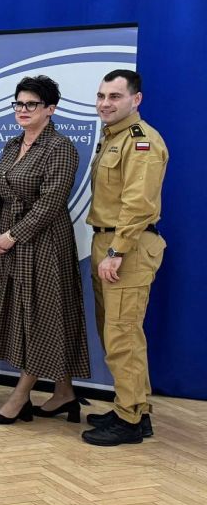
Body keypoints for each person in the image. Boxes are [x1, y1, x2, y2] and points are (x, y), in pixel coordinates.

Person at [0, 75, 89, 425]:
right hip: (9, 242)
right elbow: (0, 193)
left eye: (31, 104)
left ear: (50, 109)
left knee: (42, 315)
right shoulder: (12, 144)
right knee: (23, 313)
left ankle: (20, 397)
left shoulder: (61, 147)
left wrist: (13, 235)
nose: (23, 109)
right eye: (19, 103)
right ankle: (64, 393)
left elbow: (51, 203)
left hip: (45, 244)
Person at [82, 70, 168, 446]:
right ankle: (133, 408)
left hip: (126, 248)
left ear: (136, 99)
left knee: (122, 335)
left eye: (115, 96)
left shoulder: (141, 141)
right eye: (101, 96)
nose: (105, 103)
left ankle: (130, 419)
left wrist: (116, 252)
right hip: (107, 243)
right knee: (117, 332)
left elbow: (138, 203)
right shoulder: (112, 137)